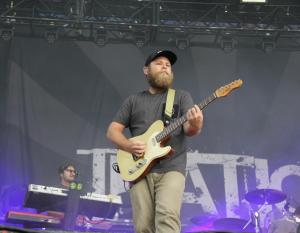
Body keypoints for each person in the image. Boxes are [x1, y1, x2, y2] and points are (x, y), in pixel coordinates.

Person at [106, 50, 204, 233]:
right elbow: (113, 131)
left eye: (168, 65)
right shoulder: (133, 100)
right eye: (159, 63)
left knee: (167, 215)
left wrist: (197, 122)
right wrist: (128, 145)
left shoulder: (181, 97)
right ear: (146, 70)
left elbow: (190, 130)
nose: (165, 67)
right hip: (139, 170)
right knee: (143, 225)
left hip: (172, 167)